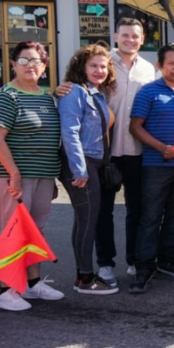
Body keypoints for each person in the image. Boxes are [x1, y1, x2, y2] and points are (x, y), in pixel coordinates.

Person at [0, 41, 65, 310]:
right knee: (13, 231)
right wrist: (14, 173)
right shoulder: (7, 96)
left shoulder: (46, 97)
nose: (30, 65)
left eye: (36, 61)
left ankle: (31, 285)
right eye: (23, 60)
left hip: (42, 175)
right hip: (12, 177)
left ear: (44, 67)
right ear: (13, 64)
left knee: (35, 231)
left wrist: (51, 177)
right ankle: (5, 290)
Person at [128, 44, 174, 293]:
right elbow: (135, 127)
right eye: (171, 63)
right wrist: (161, 147)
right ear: (160, 66)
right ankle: (144, 268)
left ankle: (167, 262)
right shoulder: (148, 92)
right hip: (155, 166)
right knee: (150, 218)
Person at [95, 18, 157, 285]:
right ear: (116, 37)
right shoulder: (102, 64)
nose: (131, 40)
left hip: (138, 151)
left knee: (138, 210)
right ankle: (106, 264)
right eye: (126, 35)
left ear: (142, 39)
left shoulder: (149, 70)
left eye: (136, 36)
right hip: (106, 152)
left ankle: (134, 260)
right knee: (103, 211)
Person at [59, 45, 118, 296]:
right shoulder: (75, 92)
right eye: (93, 65)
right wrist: (79, 169)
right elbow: (70, 132)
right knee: (88, 221)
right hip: (81, 163)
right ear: (82, 67)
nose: (99, 70)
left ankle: (82, 274)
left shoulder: (96, 93)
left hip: (93, 162)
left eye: (103, 66)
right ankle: (85, 278)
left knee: (85, 220)